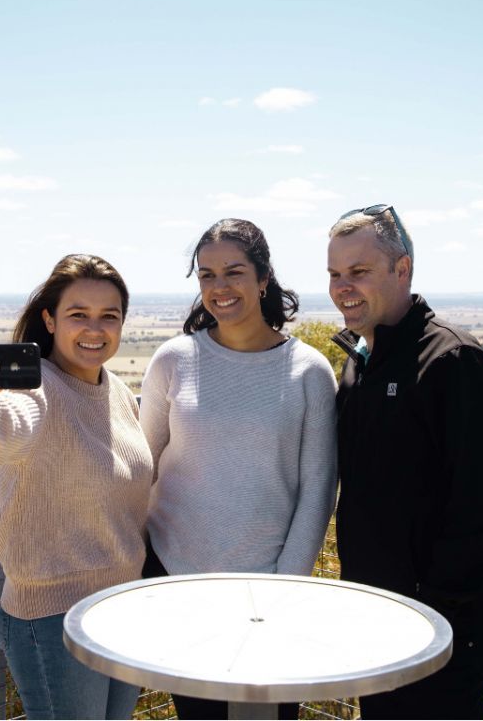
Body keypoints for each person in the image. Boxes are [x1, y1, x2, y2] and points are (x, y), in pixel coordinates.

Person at [0, 254, 153, 720]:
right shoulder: (39, 392)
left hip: (123, 608)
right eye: (78, 315)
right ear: (49, 320)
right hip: (54, 619)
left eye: (109, 316)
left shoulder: (116, 392)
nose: (95, 328)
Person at [139, 218, 339, 720]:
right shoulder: (173, 360)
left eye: (233, 272)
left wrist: (284, 584)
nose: (219, 288)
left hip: (268, 585)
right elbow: (140, 464)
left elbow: (318, 486)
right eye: (206, 276)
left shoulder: (309, 370)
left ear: (263, 278)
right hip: (175, 577)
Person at [326, 205, 483, 719]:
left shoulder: (452, 360)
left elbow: (477, 508)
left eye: (358, 272)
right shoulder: (360, 359)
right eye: (335, 275)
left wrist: (437, 613)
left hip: (440, 628)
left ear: (401, 269)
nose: (343, 287)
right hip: (374, 611)